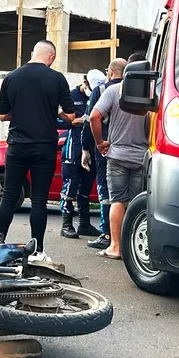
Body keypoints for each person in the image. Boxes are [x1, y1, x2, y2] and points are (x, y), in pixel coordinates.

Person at [0, 40, 76, 257]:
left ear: (32, 53)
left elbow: (3, 115)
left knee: (9, 195)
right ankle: (37, 250)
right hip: (44, 147)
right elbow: (70, 116)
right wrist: (53, 112)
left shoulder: (11, 77)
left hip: (18, 145)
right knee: (39, 198)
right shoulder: (57, 79)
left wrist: (21, 112)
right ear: (51, 57)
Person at [88, 57, 149, 259]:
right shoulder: (151, 93)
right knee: (135, 203)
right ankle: (131, 248)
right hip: (141, 157)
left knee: (117, 201)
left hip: (117, 155)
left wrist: (99, 142)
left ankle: (115, 247)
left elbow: (94, 117)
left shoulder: (114, 91)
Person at [80, 58, 127, 250]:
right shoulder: (137, 91)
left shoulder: (101, 91)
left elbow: (90, 120)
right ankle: (124, 237)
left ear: (110, 72)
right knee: (126, 195)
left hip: (105, 148)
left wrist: (87, 148)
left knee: (107, 193)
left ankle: (107, 233)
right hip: (132, 149)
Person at [58, 69, 106, 239]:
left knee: (86, 187)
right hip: (73, 146)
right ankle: (66, 224)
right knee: (70, 185)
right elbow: (57, 120)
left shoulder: (99, 94)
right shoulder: (70, 96)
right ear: (84, 82)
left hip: (91, 146)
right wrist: (73, 122)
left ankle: (84, 224)